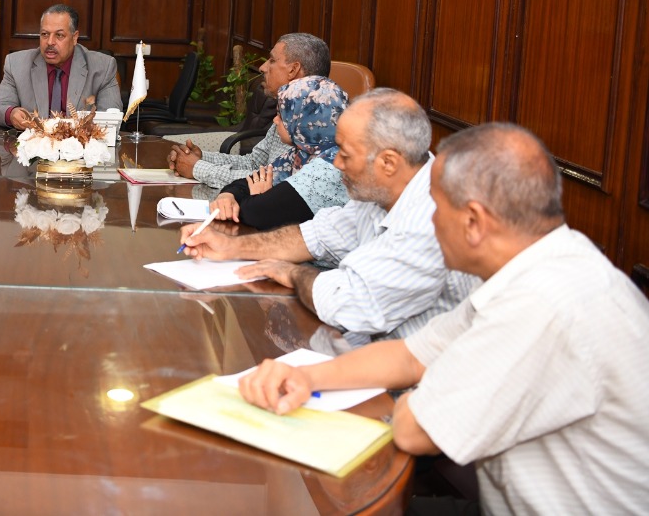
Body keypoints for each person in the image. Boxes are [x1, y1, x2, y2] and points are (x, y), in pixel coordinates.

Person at [238, 123, 649, 514]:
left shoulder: (544, 303)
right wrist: (306, 378)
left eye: (435, 207)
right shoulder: (544, 262)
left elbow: (412, 430)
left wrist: (433, 385)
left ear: (473, 221)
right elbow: (410, 356)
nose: (429, 221)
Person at [180, 89, 479, 346]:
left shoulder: (431, 219)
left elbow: (350, 305)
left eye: (345, 154)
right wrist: (230, 246)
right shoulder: (383, 189)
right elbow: (317, 236)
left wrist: (293, 274)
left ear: (388, 162)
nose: (336, 163)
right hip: (360, 350)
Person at [167, 32, 329, 189]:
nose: (262, 67)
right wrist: (201, 157)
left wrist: (198, 168)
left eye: (272, 60)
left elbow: (272, 182)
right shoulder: (287, 112)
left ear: (293, 69)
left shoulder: (315, 123)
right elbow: (254, 163)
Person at [211, 75, 349, 229]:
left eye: (282, 115)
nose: (275, 120)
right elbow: (247, 182)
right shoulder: (302, 153)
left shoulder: (330, 167)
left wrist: (258, 197)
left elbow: (257, 213)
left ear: (305, 122)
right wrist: (227, 196)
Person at [0, 4, 122, 129]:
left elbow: (110, 121)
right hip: (34, 143)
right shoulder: (17, 64)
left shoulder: (103, 67)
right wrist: (11, 114)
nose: (50, 42)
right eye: (45, 34)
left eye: (59, 35)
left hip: (81, 144)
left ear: (75, 37)